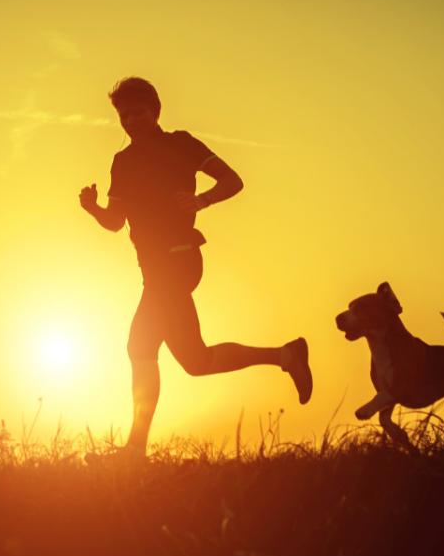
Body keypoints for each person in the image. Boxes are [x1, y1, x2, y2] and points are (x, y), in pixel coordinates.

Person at [79, 77, 312, 462]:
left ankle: (135, 450)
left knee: (139, 344)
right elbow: (115, 221)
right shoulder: (122, 162)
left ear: (154, 112)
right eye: (123, 115)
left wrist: (201, 199)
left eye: (137, 113)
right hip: (153, 268)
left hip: (179, 258)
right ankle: (286, 356)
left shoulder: (181, 144)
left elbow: (233, 180)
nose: (130, 121)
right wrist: (92, 209)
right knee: (195, 361)